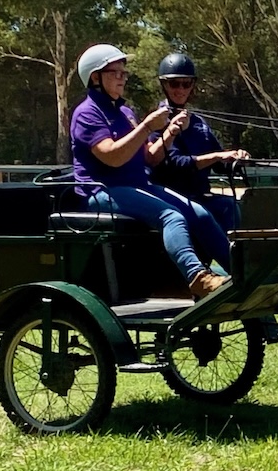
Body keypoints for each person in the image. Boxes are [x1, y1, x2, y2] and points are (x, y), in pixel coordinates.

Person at [70, 43, 232, 298]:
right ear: (95, 77)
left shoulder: (124, 112)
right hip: (103, 191)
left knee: (199, 214)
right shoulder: (87, 113)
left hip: (137, 186)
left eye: (124, 73)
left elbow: (150, 157)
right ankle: (197, 277)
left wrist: (169, 132)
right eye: (117, 73)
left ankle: (242, 277)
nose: (123, 78)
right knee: (171, 216)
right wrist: (147, 126)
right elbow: (112, 157)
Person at [149, 53, 249, 232]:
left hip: (200, 195)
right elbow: (176, 164)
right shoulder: (157, 122)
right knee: (205, 214)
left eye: (186, 84)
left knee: (232, 206)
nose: (180, 89)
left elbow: (220, 165)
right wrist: (217, 155)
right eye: (174, 84)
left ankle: (234, 258)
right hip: (171, 197)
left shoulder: (198, 123)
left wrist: (237, 158)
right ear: (164, 85)